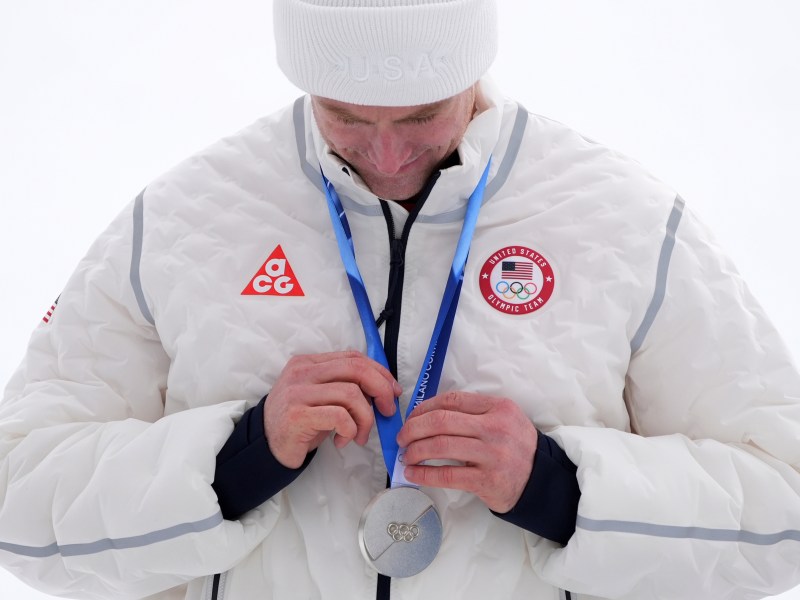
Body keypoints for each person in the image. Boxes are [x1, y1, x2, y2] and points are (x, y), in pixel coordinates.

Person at [1, 0, 799, 598]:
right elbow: (18, 495)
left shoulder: (624, 220)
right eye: (345, 115)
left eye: (422, 115)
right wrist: (236, 461)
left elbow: (784, 508)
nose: (386, 154)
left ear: (472, 67)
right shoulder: (184, 219)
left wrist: (562, 489)